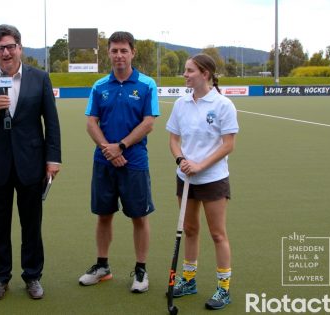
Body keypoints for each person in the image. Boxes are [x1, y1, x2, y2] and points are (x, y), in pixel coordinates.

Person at [0, 24, 61, 301]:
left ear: (20, 48)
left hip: (31, 163)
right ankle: (0, 277)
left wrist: (53, 158)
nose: (5, 53)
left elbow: (51, 122)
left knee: (32, 225)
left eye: (9, 47)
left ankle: (32, 276)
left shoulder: (39, 78)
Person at [79, 31, 159, 293]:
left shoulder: (147, 84)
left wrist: (121, 146)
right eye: (114, 50)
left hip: (134, 162)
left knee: (139, 217)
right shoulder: (99, 86)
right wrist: (108, 150)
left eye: (124, 50)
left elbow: (149, 123)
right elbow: (91, 122)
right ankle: (102, 266)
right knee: (104, 216)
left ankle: (140, 271)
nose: (119, 55)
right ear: (109, 54)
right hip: (104, 162)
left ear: (132, 53)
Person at [165, 53, 239, 310]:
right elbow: (174, 140)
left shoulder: (223, 105)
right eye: (185, 70)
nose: (185, 74)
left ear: (205, 74)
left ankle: (224, 288)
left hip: (213, 178)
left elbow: (228, 145)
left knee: (218, 234)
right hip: (185, 177)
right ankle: (188, 280)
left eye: (190, 71)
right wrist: (181, 161)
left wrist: (200, 165)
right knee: (190, 230)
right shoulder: (180, 103)